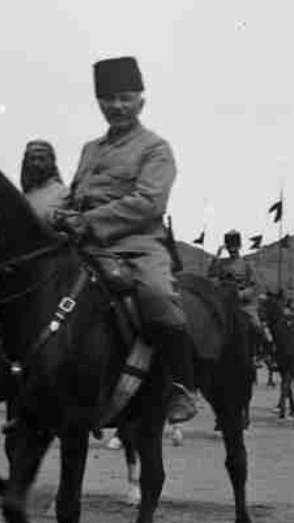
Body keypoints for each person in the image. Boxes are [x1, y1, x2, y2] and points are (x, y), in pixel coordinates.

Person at [50, 55, 197, 422]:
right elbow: (76, 193)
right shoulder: (90, 149)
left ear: (141, 102)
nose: (117, 106)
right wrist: (59, 213)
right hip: (83, 244)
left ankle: (181, 385)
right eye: (109, 99)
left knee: (158, 295)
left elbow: (149, 202)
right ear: (98, 102)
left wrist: (88, 221)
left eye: (125, 97)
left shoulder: (155, 148)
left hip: (137, 243)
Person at [207, 230, 271, 344]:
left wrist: (241, 294)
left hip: (243, 305)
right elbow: (211, 277)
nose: (232, 250)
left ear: (239, 246)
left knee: (256, 325)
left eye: (234, 246)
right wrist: (216, 257)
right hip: (225, 304)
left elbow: (253, 286)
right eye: (230, 247)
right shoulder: (221, 264)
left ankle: (261, 355)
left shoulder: (246, 264)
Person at [19, 139, 70, 225]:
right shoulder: (23, 198)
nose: (36, 164)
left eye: (41, 159)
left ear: (52, 163)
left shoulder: (65, 194)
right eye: (32, 159)